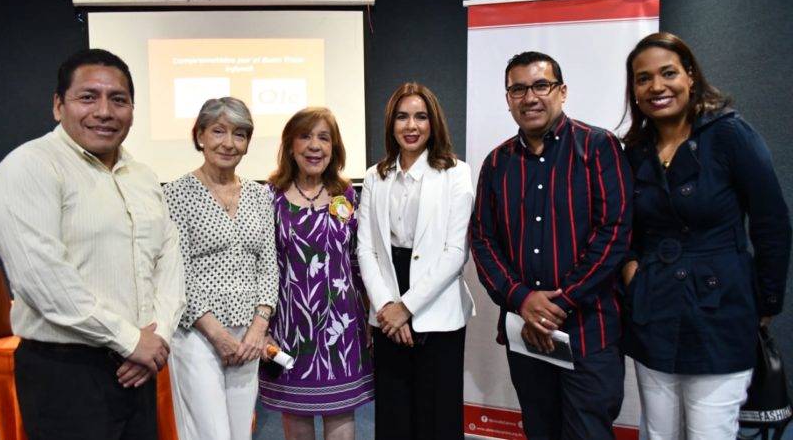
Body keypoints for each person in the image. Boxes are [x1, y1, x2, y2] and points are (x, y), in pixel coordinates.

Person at [0, 48, 185, 440]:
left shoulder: (143, 177)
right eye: (88, 97)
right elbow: (41, 277)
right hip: (66, 374)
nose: (104, 111)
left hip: (141, 368)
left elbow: (168, 261)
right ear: (57, 105)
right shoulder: (29, 166)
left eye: (118, 99)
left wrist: (158, 336)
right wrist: (132, 341)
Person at [620, 32, 791, 440]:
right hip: (654, 309)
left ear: (691, 76)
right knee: (659, 433)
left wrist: (765, 302)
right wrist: (631, 272)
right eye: (643, 79)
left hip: (720, 311)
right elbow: (624, 227)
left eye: (668, 73)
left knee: (710, 432)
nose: (656, 87)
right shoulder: (635, 150)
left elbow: (772, 224)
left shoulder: (730, 134)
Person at [469, 51, 632, 440]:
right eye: (518, 89)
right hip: (527, 334)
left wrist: (559, 304)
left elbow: (615, 233)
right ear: (508, 98)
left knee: (588, 433)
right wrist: (523, 299)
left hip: (590, 331)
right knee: (540, 430)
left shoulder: (599, 147)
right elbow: (483, 239)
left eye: (541, 85)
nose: (530, 97)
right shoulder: (496, 163)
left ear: (562, 91)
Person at [356, 82, 475, 439]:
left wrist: (406, 307)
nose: (411, 126)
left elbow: (456, 253)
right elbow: (366, 250)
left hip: (436, 308)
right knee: (394, 415)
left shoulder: (456, 173)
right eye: (402, 117)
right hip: (387, 306)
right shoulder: (375, 176)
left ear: (433, 122)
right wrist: (387, 307)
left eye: (420, 117)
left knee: (437, 418)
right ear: (391, 124)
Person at [163, 97, 279, 440]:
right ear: (199, 135)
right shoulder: (176, 194)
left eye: (240, 134)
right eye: (218, 131)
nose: (229, 143)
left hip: (248, 336)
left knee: (240, 432)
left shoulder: (260, 196)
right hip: (197, 334)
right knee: (209, 433)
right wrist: (217, 335)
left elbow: (268, 266)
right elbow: (176, 272)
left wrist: (258, 327)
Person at [259, 107, 373, 440]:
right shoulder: (271, 198)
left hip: (342, 328)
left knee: (342, 417)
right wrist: (263, 326)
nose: (314, 146)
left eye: (324, 137)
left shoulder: (347, 194)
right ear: (290, 146)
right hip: (289, 328)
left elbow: (356, 260)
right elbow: (263, 266)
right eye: (305, 136)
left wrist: (369, 315)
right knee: (297, 422)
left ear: (334, 148)